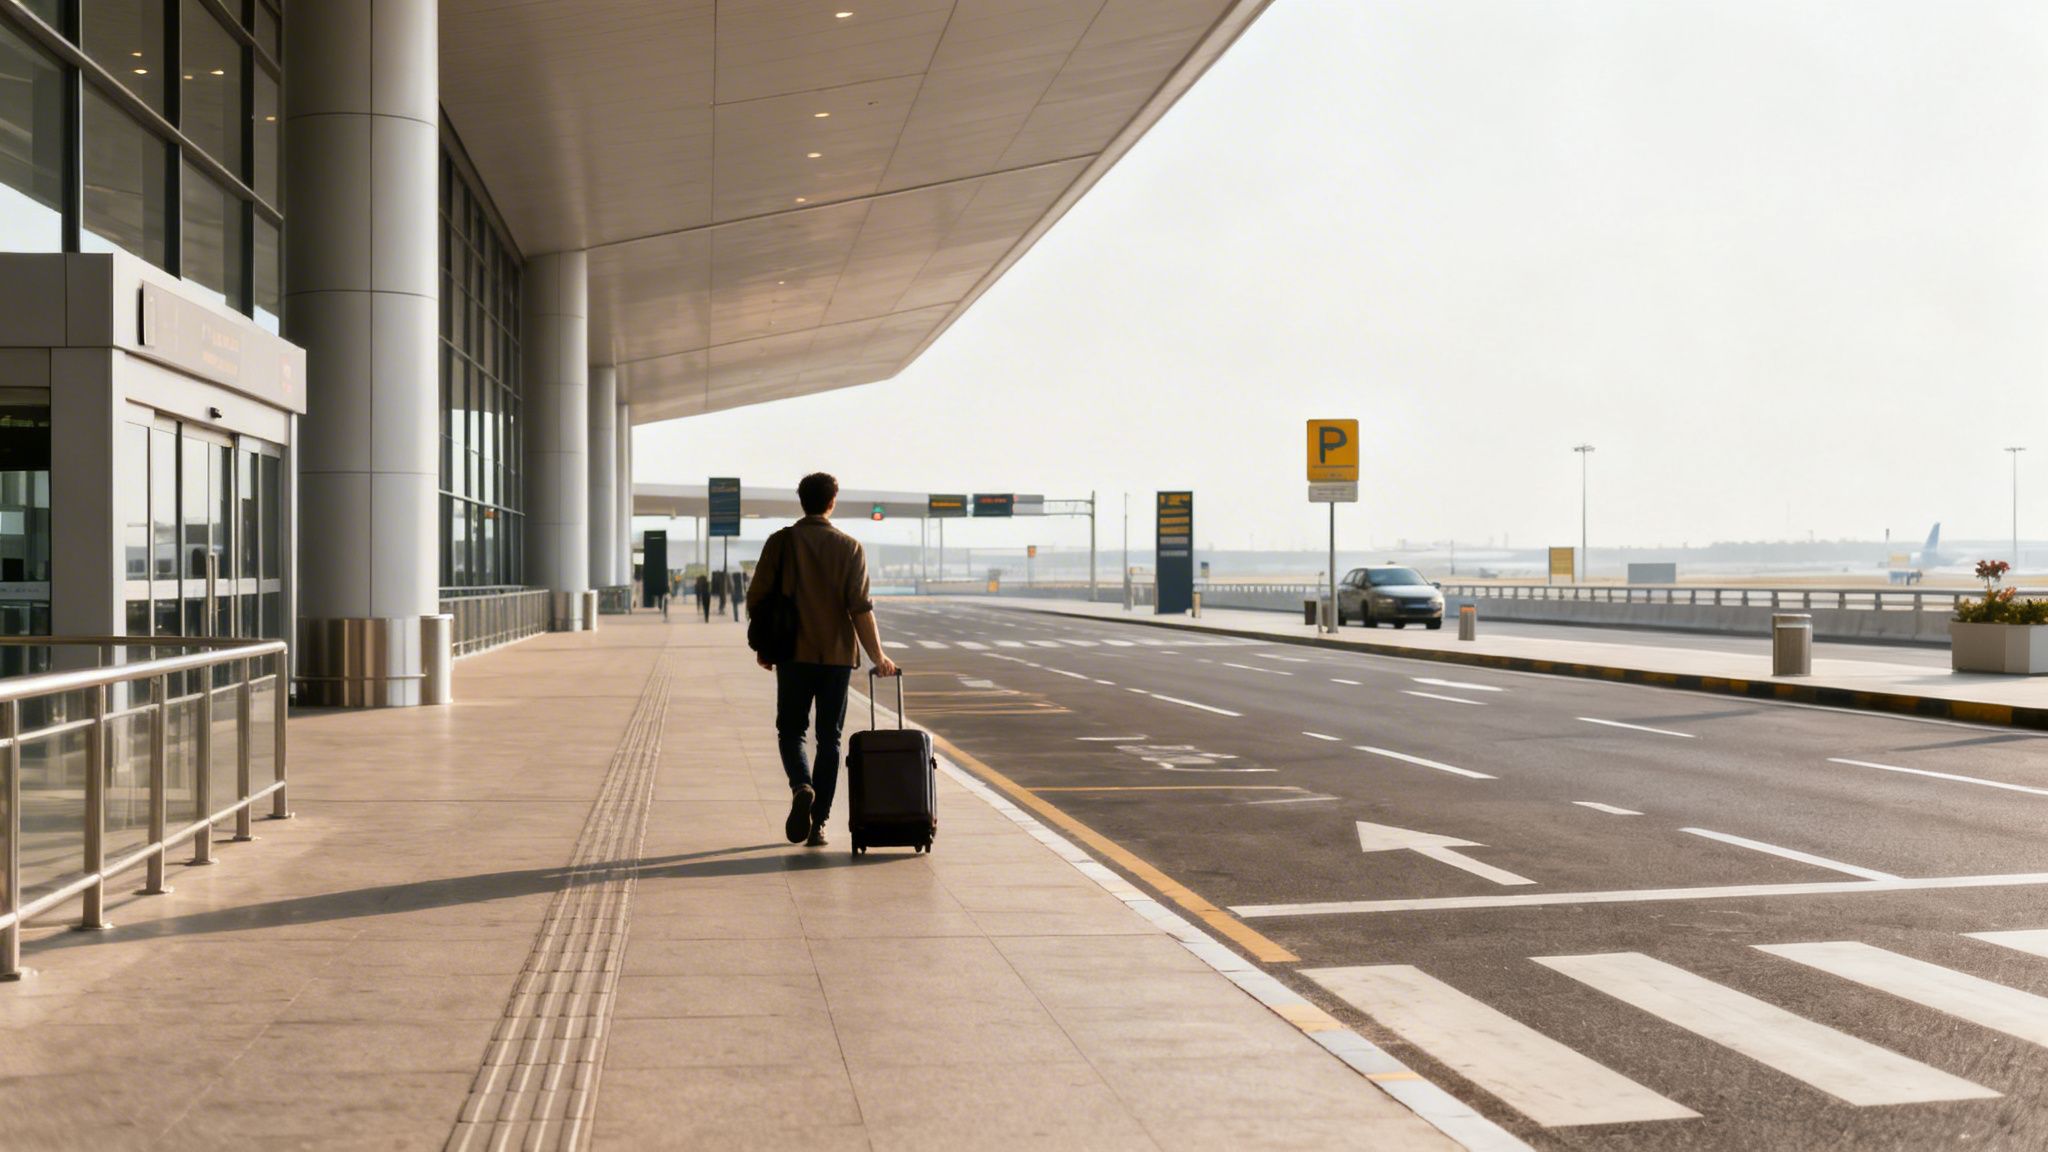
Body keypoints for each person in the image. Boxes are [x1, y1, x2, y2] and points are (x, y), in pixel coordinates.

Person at [747, 472, 898, 847]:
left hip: (792, 655)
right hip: (835, 657)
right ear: (832, 501)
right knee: (829, 738)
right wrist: (878, 657)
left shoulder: (780, 543)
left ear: (802, 501)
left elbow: (757, 600)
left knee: (791, 731)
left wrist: (765, 648)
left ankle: (801, 786)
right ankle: (819, 825)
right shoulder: (850, 547)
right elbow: (860, 609)